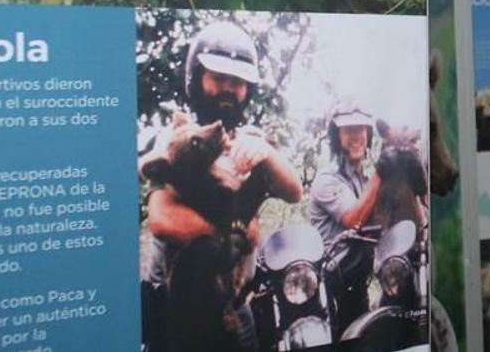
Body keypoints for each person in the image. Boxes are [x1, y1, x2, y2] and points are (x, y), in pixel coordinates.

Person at [139, 21, 303, 352]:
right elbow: (163, 220)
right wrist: (238, 229)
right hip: (180, 308)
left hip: (237, 307)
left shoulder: (250, 141)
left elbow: (293, 191)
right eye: (218, 78)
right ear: (197, 79)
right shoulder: (178, 141)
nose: (229, 88)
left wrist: (267, 153)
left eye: (238, 81)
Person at [309, 99, 382, 333]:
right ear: (336, 136)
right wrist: (383, 171)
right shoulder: (327, 179)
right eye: (348, 130)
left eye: (361, 129)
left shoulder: (364, 180)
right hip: (332, 286)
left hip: (357, 281)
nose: (356, 136)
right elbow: (355, 220)